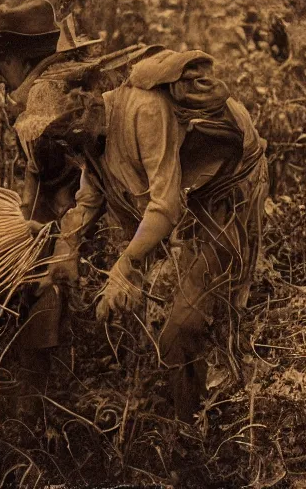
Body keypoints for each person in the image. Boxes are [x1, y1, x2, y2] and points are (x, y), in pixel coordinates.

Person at [54, 49, 269, 422]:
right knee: (158, 316)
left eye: (68, 127)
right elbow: (88, 200)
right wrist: (67, 247)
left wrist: (124, 265)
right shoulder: (90, 139)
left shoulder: (143, 111)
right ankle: (177, 396)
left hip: (224, 193)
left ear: (87, 105)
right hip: (186, 204)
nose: (66, 144)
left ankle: (191, 429)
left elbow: (165, 205)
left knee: (181, 327)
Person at [0, 0, 110, 419]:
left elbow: (74, 182)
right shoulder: (53, 85)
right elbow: (37, 176)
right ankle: (49, 394)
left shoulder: (47, 98)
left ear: (16, 59)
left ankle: (38, 407)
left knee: (39, 285)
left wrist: (51, 235)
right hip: (80, 209)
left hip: (84, 215)